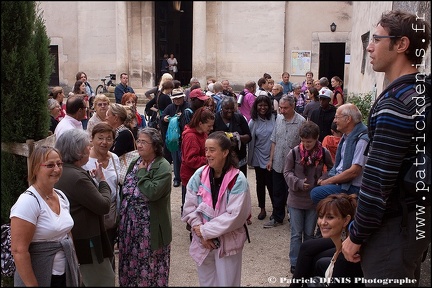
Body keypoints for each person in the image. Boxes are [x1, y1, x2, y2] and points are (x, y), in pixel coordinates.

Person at [342, 10, 431, 285]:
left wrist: (355, 235)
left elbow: (378, 182)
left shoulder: (395, 102)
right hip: (417, 218)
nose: (369, 46)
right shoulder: (422, 91)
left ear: (401, 45)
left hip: (393, 226)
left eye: (377, 39)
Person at [181, 131, 252, 286]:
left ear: (225, 152)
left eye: (212, 150)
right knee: (206, 282)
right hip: (203, 241)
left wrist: (206, 232)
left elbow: (236, 215)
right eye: (206, 150)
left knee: (227, 282)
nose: (207, 154)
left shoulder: (238, 180)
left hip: (227, 241)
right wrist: (199, 230)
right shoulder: (199, 174)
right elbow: (189, 206)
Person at [10, 145, 79, 287]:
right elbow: (18, 250)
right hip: (41, 274)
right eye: (50, 165)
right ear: (36, 168)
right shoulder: (28, 202)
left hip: (64, 274)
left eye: (59, 164)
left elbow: (67, 233)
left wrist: (75, 265)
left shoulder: (61, 196)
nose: (57, 169)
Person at [54, 129, 115, 287]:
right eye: (87, 146)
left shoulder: (64, 171)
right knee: (102, 280)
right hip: (88, 242)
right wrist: (102, 181)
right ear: (78, 152)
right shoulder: (77, 177)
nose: (90, 149)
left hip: (77, 238)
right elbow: (103, 206)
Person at [118, 127, 172, 286]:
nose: (139, 145)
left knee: (149, 269)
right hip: (130, 229)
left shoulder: (163, 167)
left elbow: (152, 192)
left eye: (143, 142)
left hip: (149, 230)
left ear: (155, 145)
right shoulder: (136, 161)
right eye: (138, 141)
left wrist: (142, 174)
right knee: (129, 266)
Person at [283, 121, 334, 274]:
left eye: (310, 142)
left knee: (309, 234)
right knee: (296, 234)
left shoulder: (323, 152)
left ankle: (308, 260)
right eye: (304, 141)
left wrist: (324, 179)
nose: (306, 144)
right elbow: (287, 172)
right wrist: (298, 182)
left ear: (317, 138)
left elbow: (332, 169)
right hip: (296, 199)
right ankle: (295, 262)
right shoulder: (293, 153)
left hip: (313, 200)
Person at [291, 194, 363, 287]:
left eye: (330, 217)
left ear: (346, 220)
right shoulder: (340, 248)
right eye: (320, 216)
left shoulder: (345, 259)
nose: (323, 222)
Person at [310, 103, 369, 205]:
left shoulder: (362, 139)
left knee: (316, 193)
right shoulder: (347, 137)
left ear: (348, 119)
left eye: (337, 117)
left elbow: (354, 172)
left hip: (354, 187)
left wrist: (329, 181)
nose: (334, 121)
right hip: (343, 182)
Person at [81, 122, 120, 269]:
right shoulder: (85, 161)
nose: (105, 142)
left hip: (110, 215)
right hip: (91, 216)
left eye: (109, 138)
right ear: (92, 139)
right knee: (94, 259)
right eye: (100, 138)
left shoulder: (115, 159)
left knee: (109, 255)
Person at [264, 95, 306, 228]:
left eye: (285, 108)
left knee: (292, 192)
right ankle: (277, 217)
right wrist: (271, 159)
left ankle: (294, 219)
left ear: (293, 106)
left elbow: (304, 145)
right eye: (280, 108)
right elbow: (274, 140)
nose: (281, 110)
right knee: (277, 191)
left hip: (293, 165)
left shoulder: (301, 121)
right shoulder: (279, 119)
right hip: (278, 162)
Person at [180, 107, 215, 214]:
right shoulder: (191, 137)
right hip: (191, 177)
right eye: (209, 126)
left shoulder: (203, 133)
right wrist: (209, 159)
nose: (211, 128)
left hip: (199, 176)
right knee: (192, 207)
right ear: (200, 124)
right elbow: (190, 160)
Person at [247, 95, 276, 220]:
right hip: (258, 155)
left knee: (272, 184)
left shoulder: (274, 118)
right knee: (260, 183)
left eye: (265, 105)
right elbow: (250, 140)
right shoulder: (253, 122)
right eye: (260, 105)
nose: (263, 108)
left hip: (271, 155)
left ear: (269, 106)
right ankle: (262, 209)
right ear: (256, 107)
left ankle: (276, 208)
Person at [213, 96, 251, 177]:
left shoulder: (239, 118)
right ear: (222, 107)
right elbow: (210, 137)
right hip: (222, 160)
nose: (230, 111)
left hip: (239, 159)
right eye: (227, 108)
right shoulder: (215, 119)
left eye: (232, 108)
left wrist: (239, 137)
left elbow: (249, 136)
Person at [161, 87, 190, 187]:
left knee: (184, 159)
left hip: (185, 137)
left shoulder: (187, 107)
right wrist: (165, 118)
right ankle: (177, 178)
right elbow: (162, 116)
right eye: (175, 99)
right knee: (176, 159)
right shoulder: (170, 107)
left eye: (179, 98)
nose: (177, 100)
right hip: (173, 138)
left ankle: (185, 177)